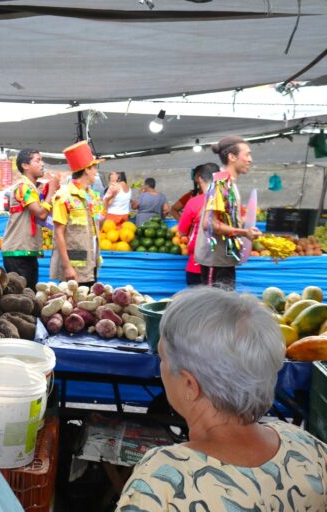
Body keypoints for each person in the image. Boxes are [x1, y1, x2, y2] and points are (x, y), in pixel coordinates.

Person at [117, 287, 327, 511]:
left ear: (190, 384)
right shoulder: (309, 447)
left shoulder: (163, 479)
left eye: (163, 358)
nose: (161, 371)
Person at [195, 135, 261, 290]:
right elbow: (209, 223)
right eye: (247, 154)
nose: (250, 159)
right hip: (215, 262)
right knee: (215, 309)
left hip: (224, 260)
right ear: (232, 157)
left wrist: (243, 224)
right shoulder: (221, 184)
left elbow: (221, 219)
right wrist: (244, 232)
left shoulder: (229, 184)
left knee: (225, 308)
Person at [51, 141, 116, 286]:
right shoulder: (64, 196)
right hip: (74, 260)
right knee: (73, 305)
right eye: (94, 168)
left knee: (88, 301)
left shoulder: (92, 195)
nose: (96, 172)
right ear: (87, 170)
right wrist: (67, 267)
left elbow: (99, 223)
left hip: (91, 259)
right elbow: (58, 233)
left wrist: (107, 201)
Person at [1, 148, 60, 290]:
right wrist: (51, 190)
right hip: (18, 251)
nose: (42, 164)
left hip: (25, 250)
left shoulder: (31, 188)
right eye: (37, 160)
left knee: (29, 295)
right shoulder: (24, 187)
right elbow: (41, 214)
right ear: (25, 166)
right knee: (22, 298)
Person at [177, 163, 218, 286]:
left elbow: (182, 231)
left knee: (197, 303)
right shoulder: (229, 201)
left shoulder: (194, 202)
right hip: (222, 264)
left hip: (197, 264)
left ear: (200, 179)